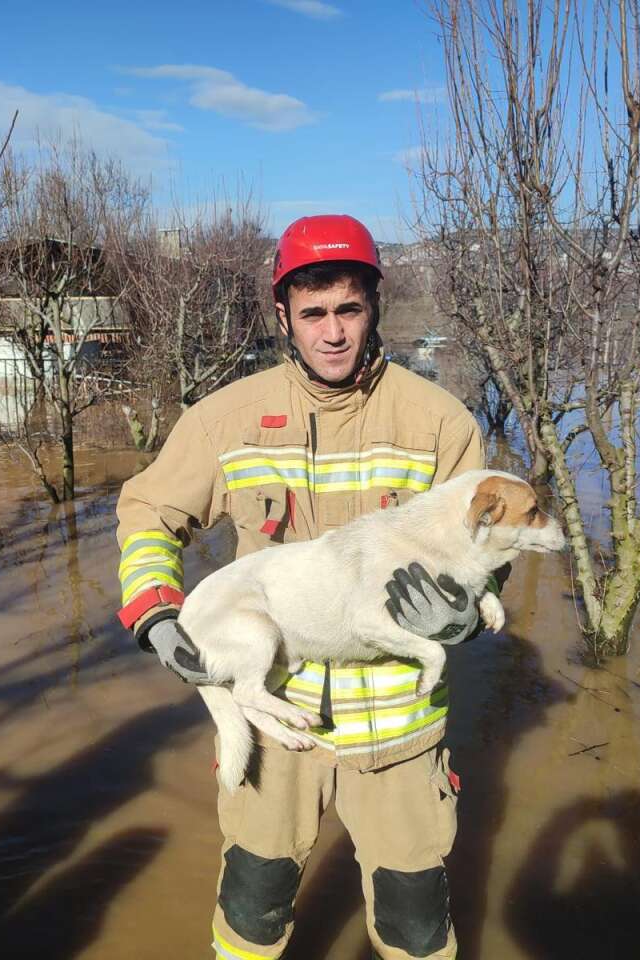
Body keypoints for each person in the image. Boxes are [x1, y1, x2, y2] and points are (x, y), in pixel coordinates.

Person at [115, 214, 497, 959]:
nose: (332, 332)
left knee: (416, 929)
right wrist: (159, 614)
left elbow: (488, 545)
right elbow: (148, 513)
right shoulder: (225, 419)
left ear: (373, 309)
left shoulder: (439, 422)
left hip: (399, 727)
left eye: (348, 310)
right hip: (273, 722)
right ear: (284, 315)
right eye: (314, 313)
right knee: (252, 911)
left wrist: (464, 616)